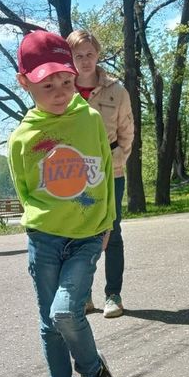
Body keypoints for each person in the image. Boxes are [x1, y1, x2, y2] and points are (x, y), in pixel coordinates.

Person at [8, 30, 122, 377]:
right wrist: (42, 222)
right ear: (25, 83)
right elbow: (24, 189)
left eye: (66, 81)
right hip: (44, 238)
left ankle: (93, 371)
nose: (59, 91)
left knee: (64, 311)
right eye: (47, 84)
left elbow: (106, 173)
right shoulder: (23, 137)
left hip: (87, 236)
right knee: (48, 321)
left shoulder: (89, 119)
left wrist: (107, 221)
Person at [66, 30, 134, 319]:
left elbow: (127, 133)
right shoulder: (62, 87)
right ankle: (83, 296)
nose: (84, 61)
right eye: (78, 55)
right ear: (70, 57)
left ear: (98, 55)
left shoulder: (116, 90)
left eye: (89, 54)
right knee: (78, 233)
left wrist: (114, 161)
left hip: (110, 168)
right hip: (72, 173)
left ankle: (113, 295)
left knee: (111, 230)